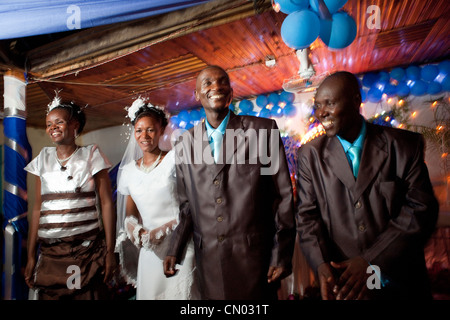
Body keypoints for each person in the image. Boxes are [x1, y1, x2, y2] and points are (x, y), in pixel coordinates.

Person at [295, 71, 439, 300]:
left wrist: (372, 261)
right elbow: (307, 217)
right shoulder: (309, 155)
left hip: (400, 282)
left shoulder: (404, 145)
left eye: (330, 103)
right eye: (318, 105)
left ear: (355, 100)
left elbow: (421, 210)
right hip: (346, 287)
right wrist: (321, 264)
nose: (321, 113)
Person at [163, 65, 296, 300]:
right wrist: (175, 248)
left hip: (255, 259)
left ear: (231, 92)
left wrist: (281, 254)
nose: (216, 87)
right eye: (207, 83)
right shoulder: (185, 144)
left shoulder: (262, 131)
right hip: (210, 263)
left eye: (222, 81)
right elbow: (187, 206)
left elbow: (282, 197)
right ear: (196, 94)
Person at [24, 96, 116, 300]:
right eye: (49, 124)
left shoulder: (91, 154)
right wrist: (31, 255)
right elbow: (37, 208)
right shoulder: (43, 159)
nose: (52, 127)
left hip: (84, 252)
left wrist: (110, 251)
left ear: (75, 125)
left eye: (59, 122)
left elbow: (107, 203)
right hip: (51, 253)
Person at [116, 99, 199, 300]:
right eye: (139, 130)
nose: (144, 136)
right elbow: (130, 214)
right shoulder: (127, 171)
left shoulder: (174, 160)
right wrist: (136, 230)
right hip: (149, 250)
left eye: (150, 130)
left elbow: (191, 204)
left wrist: (162, 231)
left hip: (180, 244)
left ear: (161, 130)